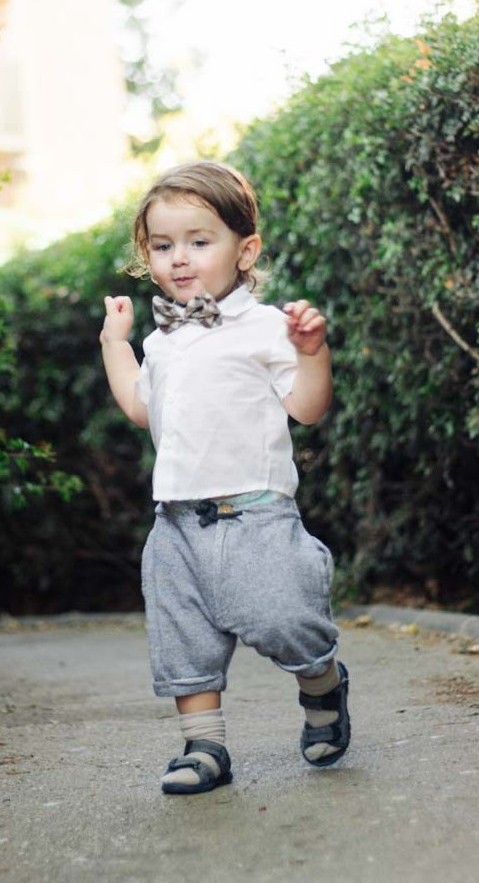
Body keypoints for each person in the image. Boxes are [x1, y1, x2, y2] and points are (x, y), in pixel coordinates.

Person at [100, 160, 349, 795]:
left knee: (285, 620)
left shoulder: (268, 327)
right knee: (182, 637)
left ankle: (322, 683)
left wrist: (311, 353)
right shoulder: (163, 342)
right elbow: (138, 408)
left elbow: (307, 408)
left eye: (198, 241)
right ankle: (203, 748)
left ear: (246, 250)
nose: (179, 258)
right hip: (176, 518)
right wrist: (116, 343)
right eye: (162, 246)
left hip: (255, 513)